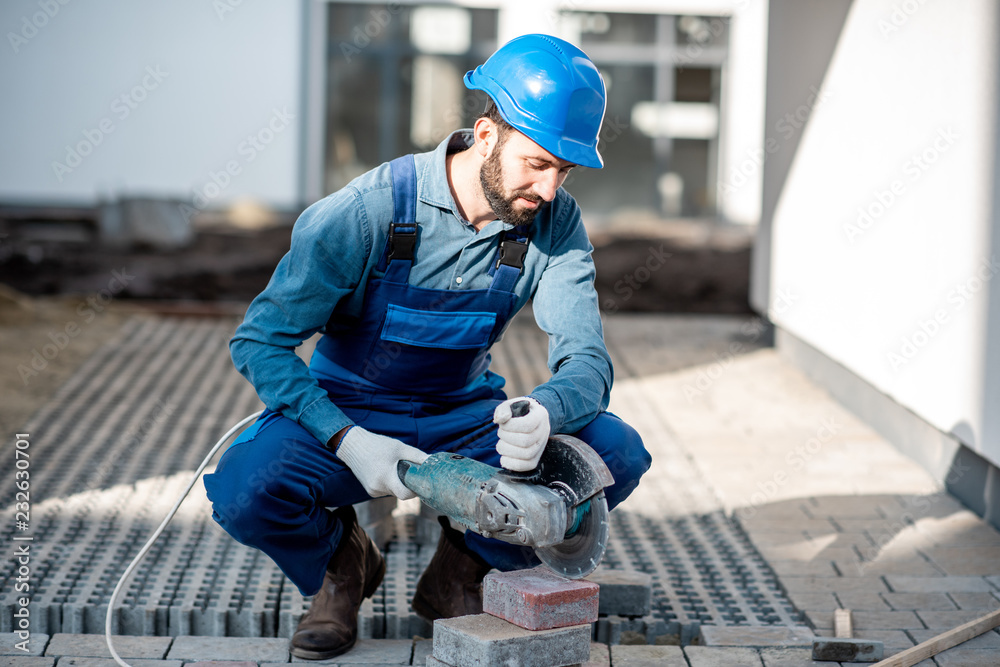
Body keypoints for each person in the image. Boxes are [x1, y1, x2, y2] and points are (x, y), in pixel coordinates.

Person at [204, 33, 651, 660]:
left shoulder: (552, 223)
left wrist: (547, 410)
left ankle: (460, 569)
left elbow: (586, 357)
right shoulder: (366, 211)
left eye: (563, 170)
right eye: (538, 164)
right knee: (247, 488)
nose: (549, 190)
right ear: (486, 135)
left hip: (465, 416)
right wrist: (346, 439)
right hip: (351, 410)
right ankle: (344, 566)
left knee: (614, 454)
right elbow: (260, 341)